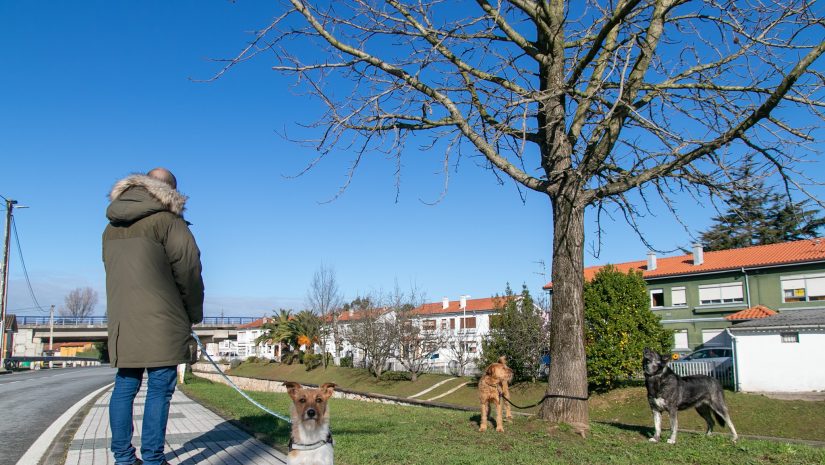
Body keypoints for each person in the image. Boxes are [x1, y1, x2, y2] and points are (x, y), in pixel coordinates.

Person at [103, 167, 204, 465]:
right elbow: (189, 271)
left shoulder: (111, 226)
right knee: (159, 388)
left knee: (125, 385)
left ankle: (122, 458)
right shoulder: (169, 222)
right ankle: (153, 459)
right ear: (170, 191)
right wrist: (193, 312)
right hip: (163, 319)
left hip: (122, 319)